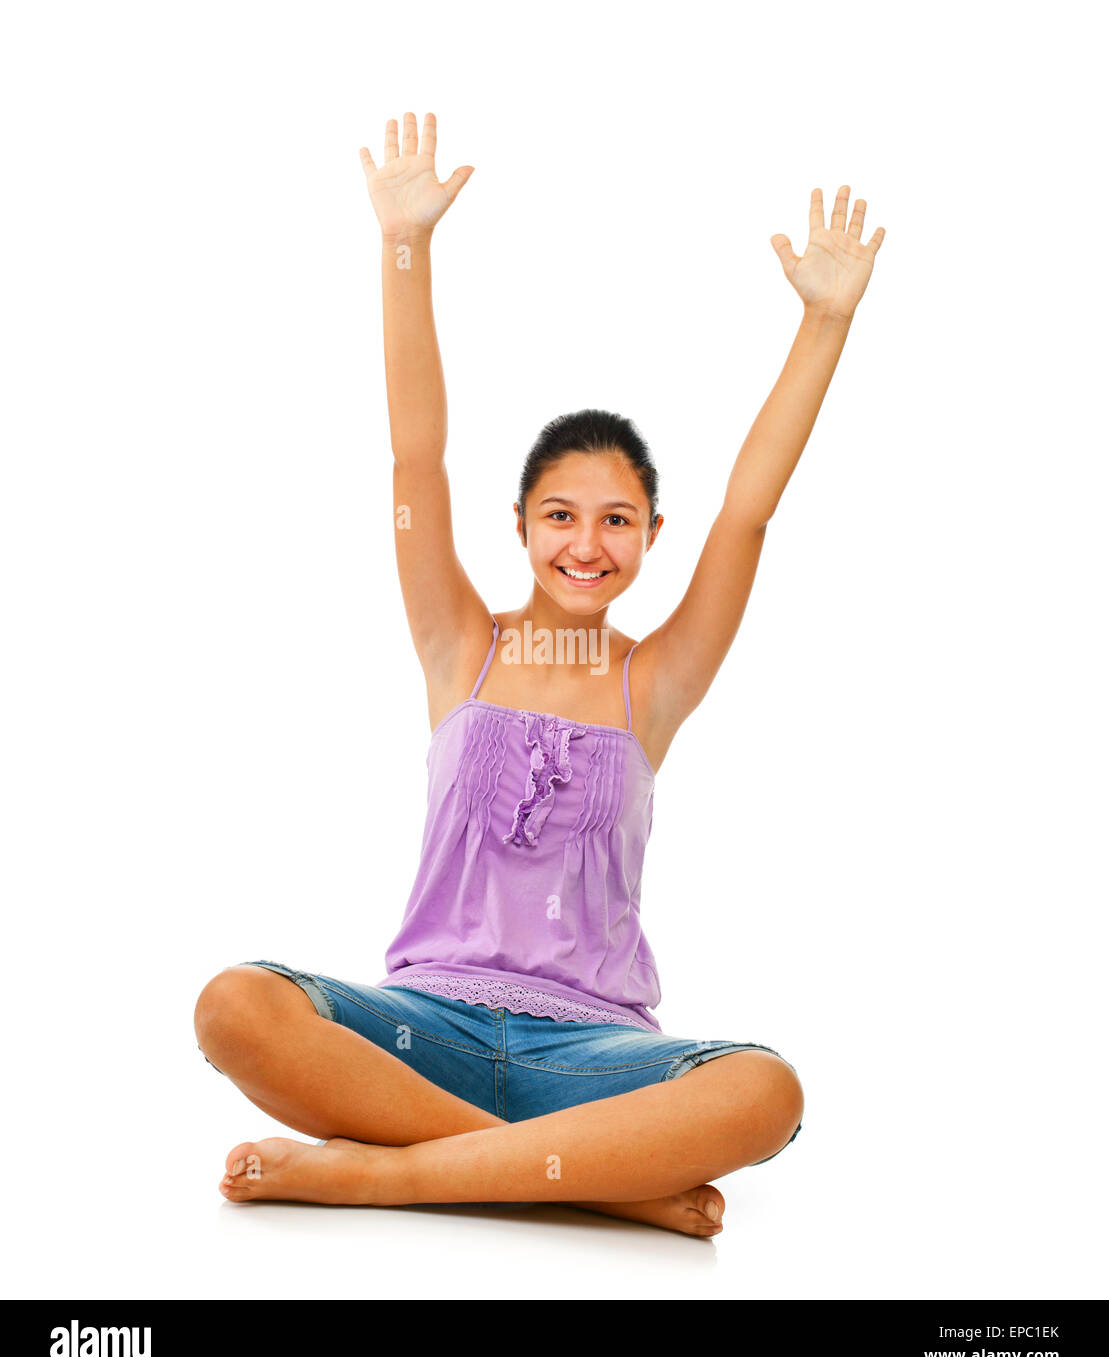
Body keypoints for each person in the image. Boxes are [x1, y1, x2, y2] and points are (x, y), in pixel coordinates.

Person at [195, 111, 884, 1237]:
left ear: (651, 535)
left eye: (617, 520)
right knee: (234, 1006)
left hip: (594, 1056)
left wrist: (822, 322)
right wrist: (403, 245)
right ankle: (598, 1182)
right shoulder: (455, 645)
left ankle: (385, 1171)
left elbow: (749, 514)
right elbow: (414, 454)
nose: (585, 542)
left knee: (767, 1090)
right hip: (419, 1032)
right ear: (519, 525)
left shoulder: (653, 681)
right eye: (560, 514)